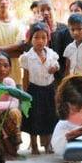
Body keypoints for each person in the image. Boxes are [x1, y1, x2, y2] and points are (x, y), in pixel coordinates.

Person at [21, 22, 60, 154]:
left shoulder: (51, 54)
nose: (40, 41)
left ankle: (48, 144)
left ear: (48, 39)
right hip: (34, 90)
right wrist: (25, 95)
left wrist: (55, 68)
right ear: (30, 39)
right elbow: (25, 77)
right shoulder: (27, 57)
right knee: (34, 118)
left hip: (49, 90)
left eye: (43, 37)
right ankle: (34, 145)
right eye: (36, 37)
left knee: (50, 117)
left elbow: (57, 66)